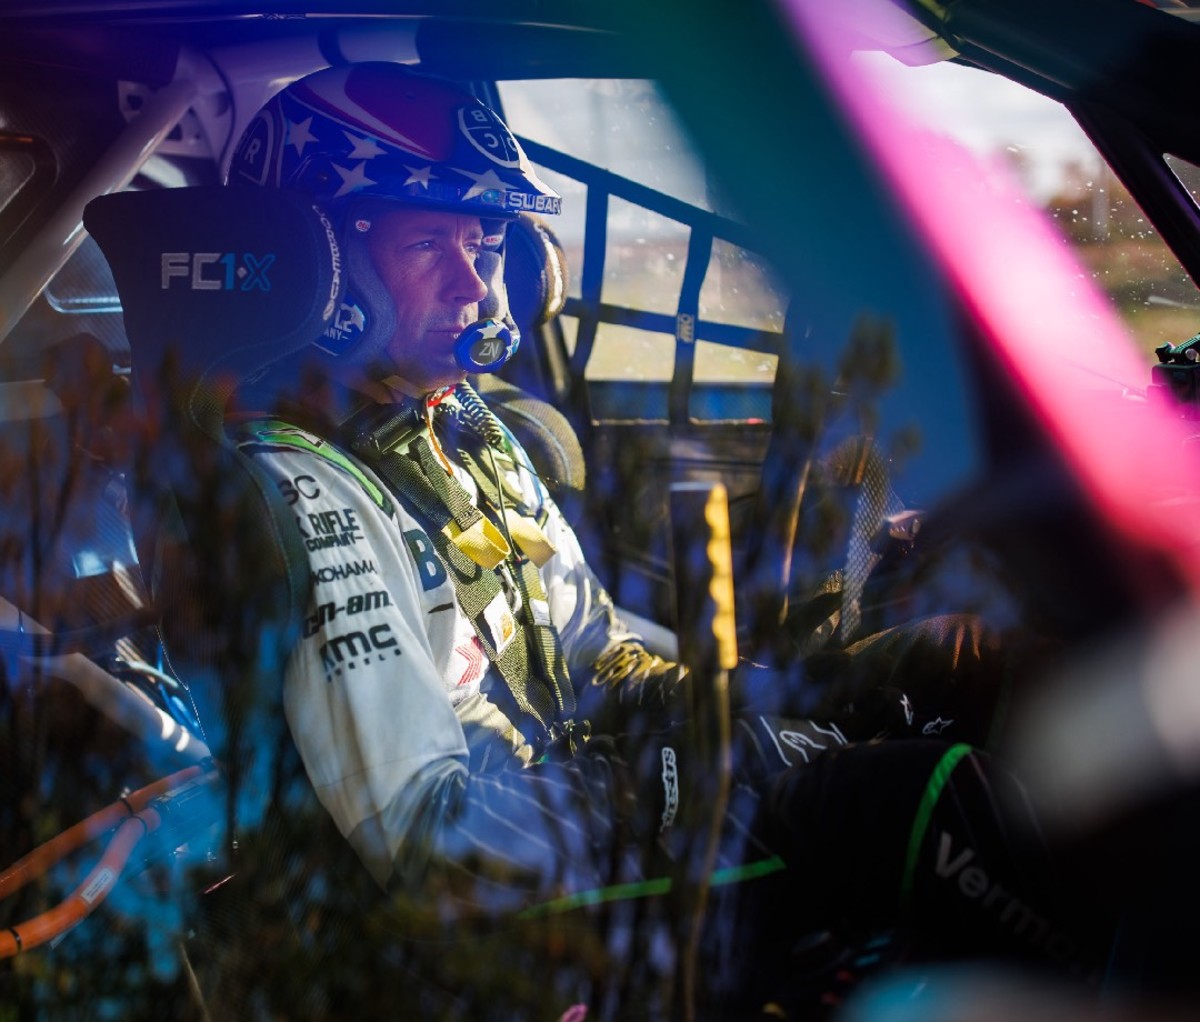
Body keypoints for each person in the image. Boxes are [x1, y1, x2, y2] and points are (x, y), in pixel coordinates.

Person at [202, 63, 1104, 1016]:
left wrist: (770, 701)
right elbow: (439, 845)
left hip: (587, 825)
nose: (474, 279)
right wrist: (720, 770)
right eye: (429, 241)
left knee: (952, 673)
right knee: (927, 803)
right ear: (313, 263)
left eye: (485, 238)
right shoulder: (298, 490)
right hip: (491, 932)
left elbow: (598, 660)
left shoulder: (461, 425)